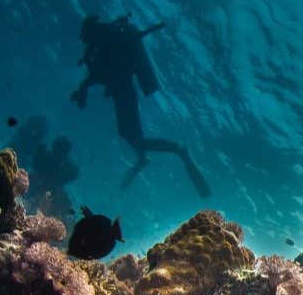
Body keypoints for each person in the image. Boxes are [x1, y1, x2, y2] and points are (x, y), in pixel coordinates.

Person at [72, 14, 211, 198]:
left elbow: (102, 73)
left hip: (125, 95)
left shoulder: (108, 45)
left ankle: (178, 149)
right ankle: (144, 157)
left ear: (92, 32)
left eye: (84, 35)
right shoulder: (104, 46)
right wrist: (83, 90)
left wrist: (84, 89)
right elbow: (100, 74)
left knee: (134, 137)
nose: (83, 39)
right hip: (121, 95)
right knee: (127, 134)